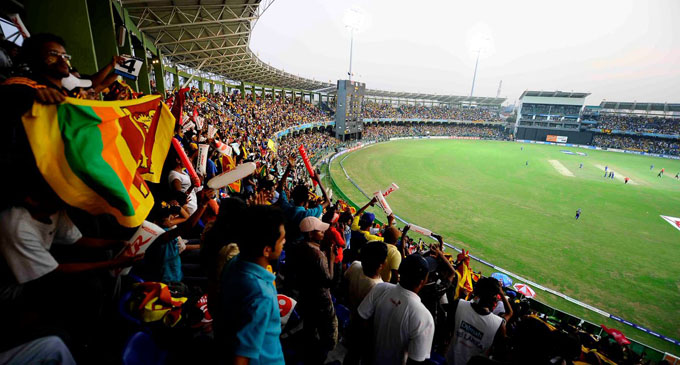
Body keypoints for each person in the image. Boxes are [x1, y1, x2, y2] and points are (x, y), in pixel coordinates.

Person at [215, 205, 286, 365]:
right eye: (281, 240)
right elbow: (240, 357)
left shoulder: (233, 263)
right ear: (267, 250)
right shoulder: (262, 295)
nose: (284, 243)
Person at [358, 254, 435, 364]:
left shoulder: (381, 288)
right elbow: (416, 360)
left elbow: (361, 320)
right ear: (423, 281)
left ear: (399, 271)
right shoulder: (424, 317)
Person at [296, 216, 338, 363]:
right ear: (310, 234)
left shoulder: (300, 246)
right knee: (328, 333)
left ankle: (308, 350)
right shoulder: (318, 255)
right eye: (320, 231)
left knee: (310, 324)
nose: (323, 233)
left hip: (306, 294)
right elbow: (329, 281)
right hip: (321, 298)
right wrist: (331, 259)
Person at [445, 277, 508, 365]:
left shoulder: (459, 304)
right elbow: (500, 354)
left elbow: (445, 332)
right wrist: (500, 292)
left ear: (476, 291)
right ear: (495, 298)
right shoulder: (498, 324)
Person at [343, 241, 388, 365]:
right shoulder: (380, 288)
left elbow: (344, 286)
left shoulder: (355, 266)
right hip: (366, 332)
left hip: (352, 319)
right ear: (382, 264)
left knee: (351, 354)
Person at [380, 219, 403, 284]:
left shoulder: (374, 243)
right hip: (384, 286)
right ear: (396, 241)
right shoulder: (395, 253)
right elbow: (394, 277)